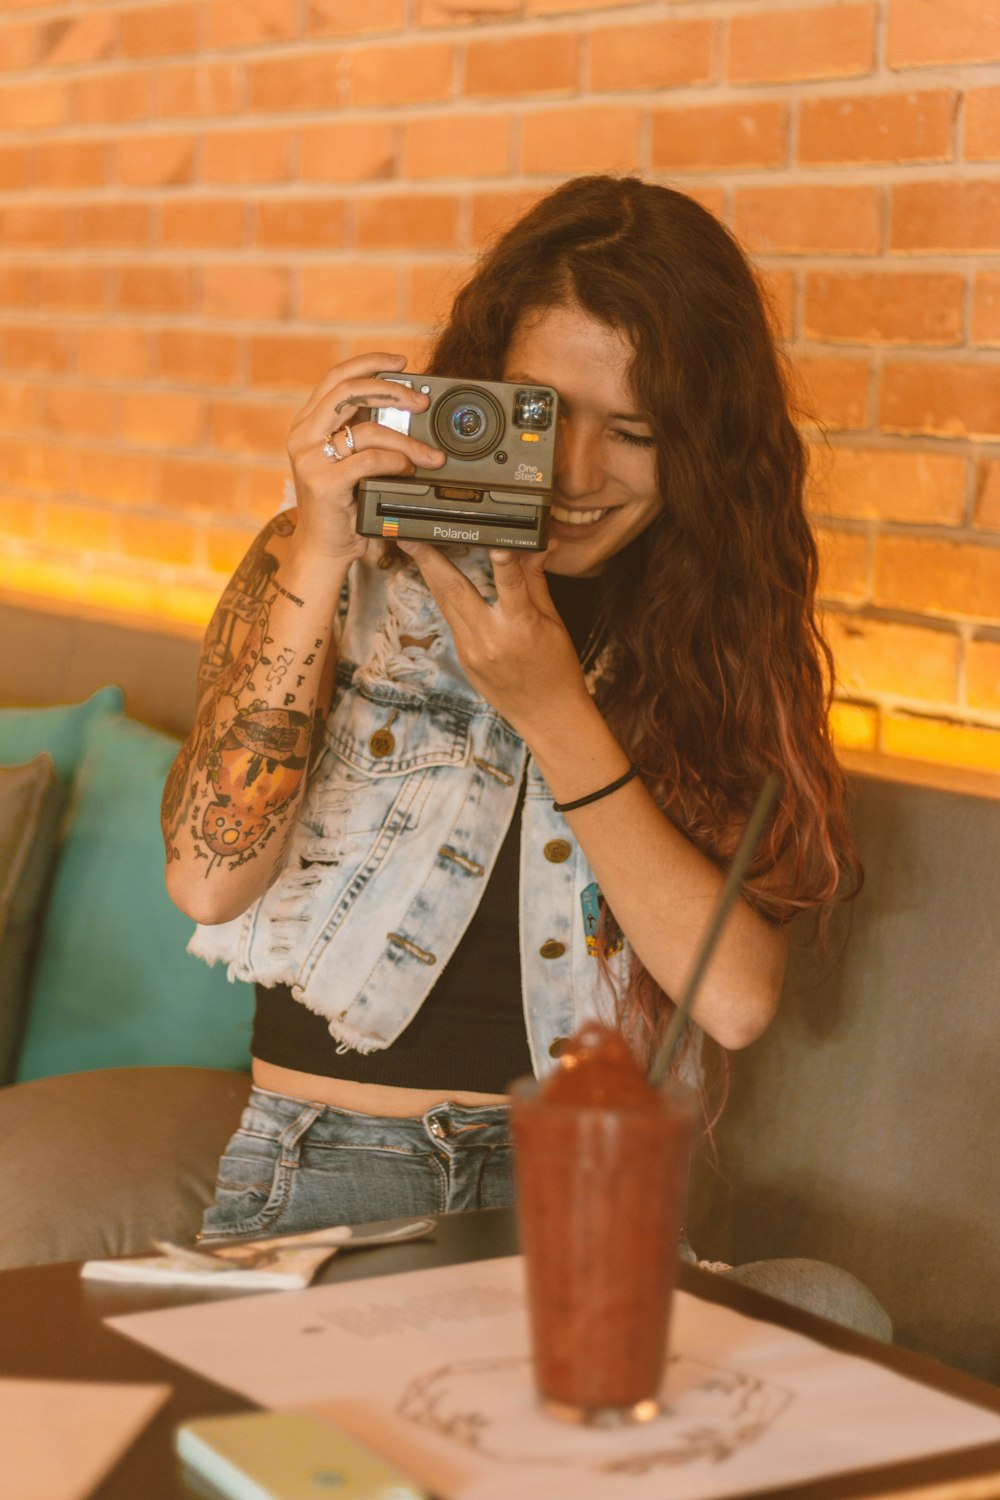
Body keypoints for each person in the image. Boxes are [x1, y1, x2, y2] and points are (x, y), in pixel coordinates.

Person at [162, 175, 889, 1338]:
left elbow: (738, 1001)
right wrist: (316, 543)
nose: (576, 475)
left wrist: (551, 706)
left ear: (700, 449)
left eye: (639, 431)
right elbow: (210, 876)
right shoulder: (348, 571)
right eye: (545, 417)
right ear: (478, 395)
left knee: (831, 1310)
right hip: (341, 1181)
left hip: (589, 1194)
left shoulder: (712, 643)